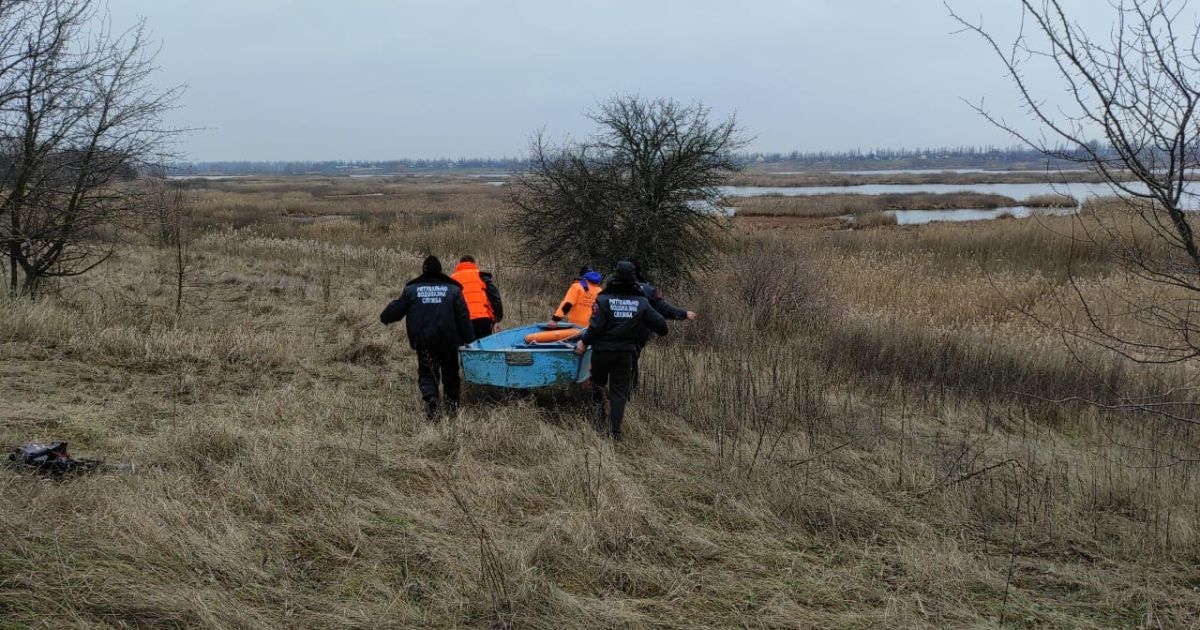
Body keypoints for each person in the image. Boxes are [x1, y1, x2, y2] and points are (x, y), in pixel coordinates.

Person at [575, 261, 669, 441]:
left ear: (615, 277)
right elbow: (662, 327)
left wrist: (584, 343)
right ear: (634, 278)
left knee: (597, 385)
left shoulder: (603, 299)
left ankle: (598, 420)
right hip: (625, 354)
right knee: (619, 392)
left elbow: (595, 328)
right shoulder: (641, 302)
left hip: (602, 353)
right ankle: (615, 432)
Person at [380, 255, 475, 419]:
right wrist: (470, 339)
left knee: (427, 372)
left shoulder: (412, 290)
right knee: (451, 374)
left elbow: (397, 309)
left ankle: (432, 399)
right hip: (449, 341)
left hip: (424, 341)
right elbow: (463, 317)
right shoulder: (453, 290)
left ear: (423, 270)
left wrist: (385, 317)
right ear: (440, 270)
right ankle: (451, 407)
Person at [629, 260, 697, 390]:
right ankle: (631, 388)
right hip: (638, 335)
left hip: (613, 335)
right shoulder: (647, 290)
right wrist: (684, 314)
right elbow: (664, 309)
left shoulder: (610, 289)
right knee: (631, 359)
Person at [450, 255, 503, 341]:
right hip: (483, 320)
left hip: (462, 321)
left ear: (460, 264)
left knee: (467, 347)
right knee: (484, 346)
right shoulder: (481, 276)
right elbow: (495, 297)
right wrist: (496, 319)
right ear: (473, 263)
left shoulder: (452, 280)